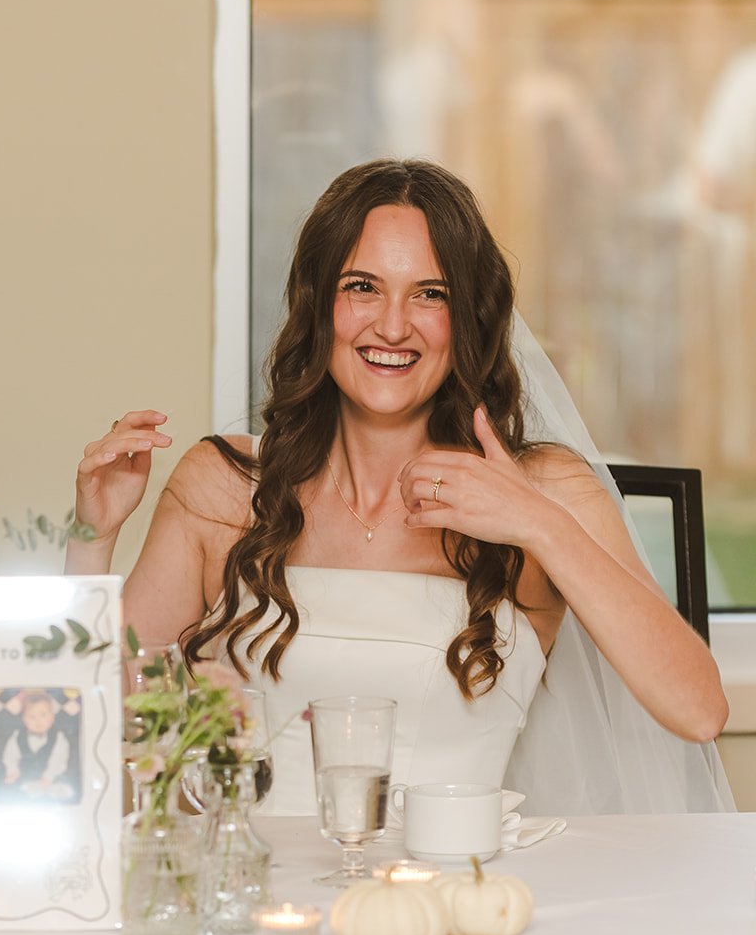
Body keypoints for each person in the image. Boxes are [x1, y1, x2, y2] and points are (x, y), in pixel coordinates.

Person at [69, 159, 732, 816]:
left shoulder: (544, 490)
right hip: (253, 903)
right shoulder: (221, 485)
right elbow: (98, 730)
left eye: (429, 293)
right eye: (362, 286)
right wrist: (91, 541)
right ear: (318, 303)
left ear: (466, 317)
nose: (392, 325)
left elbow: (698, 710)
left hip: (454, 900)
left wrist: (540, 524)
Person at [0, 689, 78, 803]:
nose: (38, 721)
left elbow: (59, 760)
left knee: (65, 791)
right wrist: (12, 771)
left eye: (43, 715)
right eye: (32, 717)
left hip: (51, 779)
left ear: (51, 718)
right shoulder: (17, 736)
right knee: (10, 792)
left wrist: (48, 777)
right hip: (25, 777)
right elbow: (10, 756)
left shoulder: (59, 738)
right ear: (24, 720)